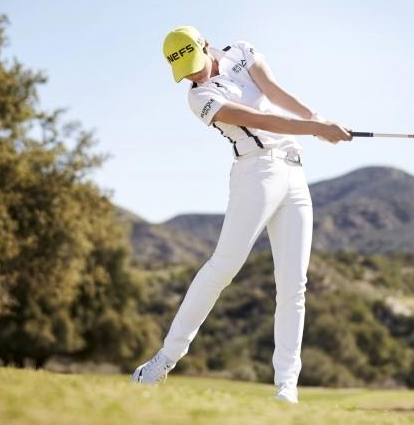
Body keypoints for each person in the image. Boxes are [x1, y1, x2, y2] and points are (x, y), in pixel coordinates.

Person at [130, 26, 352, 403]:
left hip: (294, 171)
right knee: (224, 267)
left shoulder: (243, 52)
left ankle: (287, 388)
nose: (194, 74)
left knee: (294, 285)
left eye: (195, 62)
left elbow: (275, 93)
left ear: (205, 44)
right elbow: (258, 120)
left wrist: (318, 121)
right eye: (185, 70)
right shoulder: (199, 97)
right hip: (255, 173)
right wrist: (316, 128)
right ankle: (163, 361)